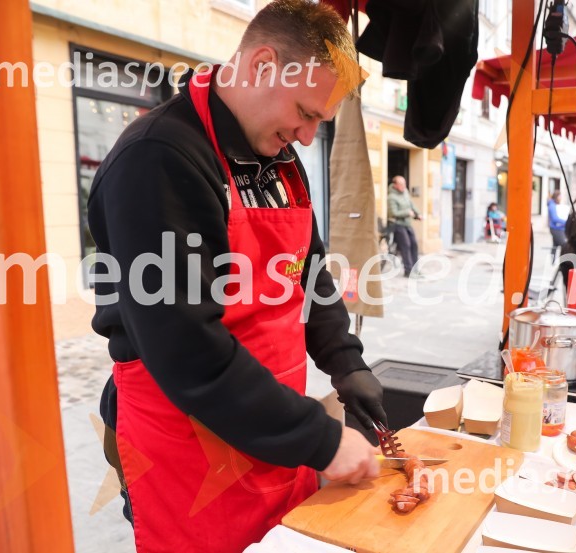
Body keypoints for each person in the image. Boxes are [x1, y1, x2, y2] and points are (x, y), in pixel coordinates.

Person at [87, 2, 384, 551]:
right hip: (185, 438)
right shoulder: (161, 160)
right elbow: (186, 349)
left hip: (267, 423)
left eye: (320, 119)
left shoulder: (276, 155)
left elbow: (310, 270)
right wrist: (320, 438)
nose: (308, 136)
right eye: (306, 112)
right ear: (264, 64)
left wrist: (346, 363)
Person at [387, 175, 422, 277]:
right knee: (405, 246)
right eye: (401, 184)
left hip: (407, 224)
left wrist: (418, 214)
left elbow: (412, 204)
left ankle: (416, 270)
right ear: (395, 185)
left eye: (404, 183)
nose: (403, 186)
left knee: (414, 244)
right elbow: (393, 213)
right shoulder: (391, 197)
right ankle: (408, 271)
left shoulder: (405, 192)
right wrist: (407, 212)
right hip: (397, 225)